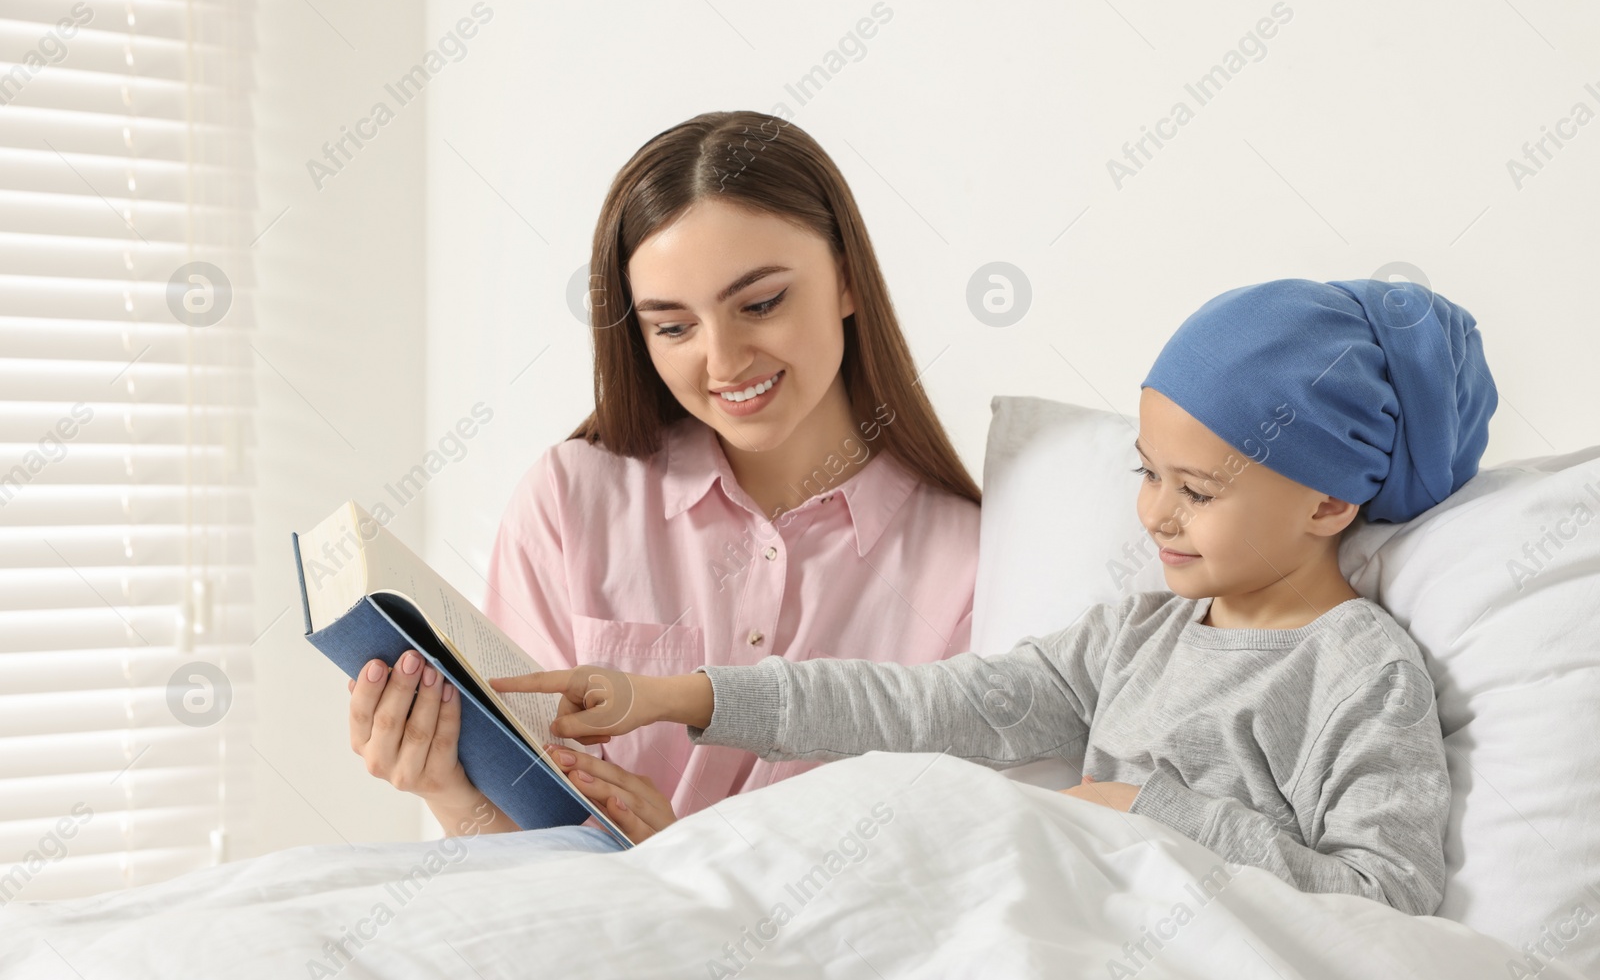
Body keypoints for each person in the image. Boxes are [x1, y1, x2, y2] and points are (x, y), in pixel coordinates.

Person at [512, 278, 1497, 916]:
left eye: (1196, 492)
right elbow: (918, 703)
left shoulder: (1359, 671)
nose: (1155, 514)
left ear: (1328, 498)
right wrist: (677, 695)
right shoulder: (1130, 640)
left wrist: (1148, 810)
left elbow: (1388, 896)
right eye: (1146, 472)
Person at [345, 111, 981, 839]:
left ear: (847, 278)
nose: (724, 360)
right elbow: (522, 848)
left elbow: (936, 875)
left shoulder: (968, 564)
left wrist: (681, 859)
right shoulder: (570, 502)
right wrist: (450, 788)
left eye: (762, 303)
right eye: (673, 326)